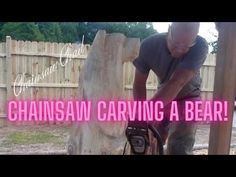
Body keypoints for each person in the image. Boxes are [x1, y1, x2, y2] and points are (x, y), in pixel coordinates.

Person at [132, 22, 208, 155]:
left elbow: (177, 82)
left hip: (189, 98)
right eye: (177, 43)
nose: (180, 49)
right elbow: (139, 84)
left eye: (186, 46)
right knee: (150, 139)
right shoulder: (148, 46)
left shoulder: (200, 46)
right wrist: (140, 114)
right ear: (169, 30)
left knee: (179, 147)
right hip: (164, 93)